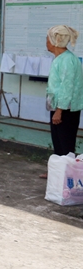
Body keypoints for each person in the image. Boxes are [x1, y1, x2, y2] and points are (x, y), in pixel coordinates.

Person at [42, 25, 83, 178]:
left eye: (48, 39)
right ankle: (56, 171)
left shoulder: (67, 60)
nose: (46, 42)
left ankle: (66, 176)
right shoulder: (60, 59)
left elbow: (67, 87)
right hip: (59, 106)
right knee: (58, 141)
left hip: (66, 109)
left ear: (56, 41)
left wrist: (59, 111)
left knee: (65, 143)